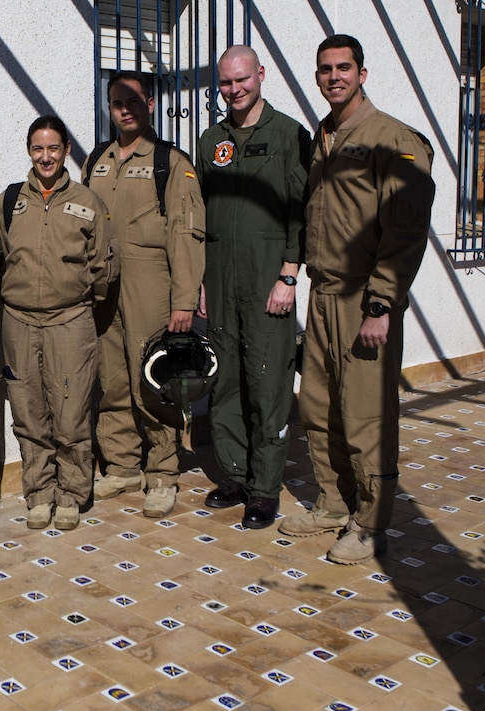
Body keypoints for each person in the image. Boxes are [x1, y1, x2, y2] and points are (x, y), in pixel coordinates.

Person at [279, 34, 434, 564]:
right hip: (323, 295)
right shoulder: (324, 136)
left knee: (367, 414)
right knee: (320, 407)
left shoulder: (395, 139)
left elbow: (407, 231)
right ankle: (333, 501)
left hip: (365, 297)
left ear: (362, 73)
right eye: (325, 69)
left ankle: (370, 523)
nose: (334, 77)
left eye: (344, 68)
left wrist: (382, 304)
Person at [195, 46, 310, 529]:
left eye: (242, 79)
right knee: (225, 380)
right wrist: (201, 280)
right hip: (220, 281)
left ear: (260, 75)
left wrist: (288, 275)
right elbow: (199, 214)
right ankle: (235, 475)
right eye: (225, 83)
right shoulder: (210, 140)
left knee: (267, 383)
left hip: (268, 280)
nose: (234, 90)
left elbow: (299, 211)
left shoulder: (288, 135)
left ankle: (264, 488)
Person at [82, 71, 206, 518]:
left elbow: (186, 232)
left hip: (151, 281)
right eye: (117, 101)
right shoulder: (97, 159)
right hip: (104, 285)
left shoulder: (171, 162)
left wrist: (184, 300)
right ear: (109, 107)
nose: (126, 108)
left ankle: (163, 471)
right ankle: (122, 464)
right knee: (111, 377)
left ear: (151, 104)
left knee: (152, 378)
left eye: (134, 100)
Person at [0, 115, 115, 531]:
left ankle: (72, 493)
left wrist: (77, 303)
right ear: (29, 150)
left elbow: (103, 268)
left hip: (70, 320)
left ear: (66, 150)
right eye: (37, 148)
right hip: (19, 321)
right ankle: (39, 492)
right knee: (28, 410)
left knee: (71, 411)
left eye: (53, 148)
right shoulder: (10, 200)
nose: (45, 157)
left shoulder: (88, 201)